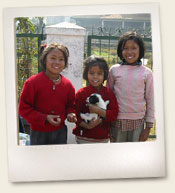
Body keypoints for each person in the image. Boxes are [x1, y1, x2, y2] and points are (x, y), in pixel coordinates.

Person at [19, 43, 77, 145]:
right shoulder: (33, 83)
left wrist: (70, 114)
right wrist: (44, 118)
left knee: (58, 160)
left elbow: (70, 105)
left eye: (61, 59)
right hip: (38, 133)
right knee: (38, 160)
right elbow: (23, 109)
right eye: (53, 58)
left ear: (65, 63)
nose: (57, 62)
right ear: (45, 60)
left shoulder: (68, 85)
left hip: (60, 133)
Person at [107, 31, 155, 142]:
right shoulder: (114, 70)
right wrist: (108, 124)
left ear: (140, 50)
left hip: (138, 123)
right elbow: (108, 98)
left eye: (134, 48)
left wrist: (148, 127)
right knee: (118, 155)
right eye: (125, 48)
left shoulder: (146, 73)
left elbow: (150, 100)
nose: (129, 52)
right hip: (116, 122)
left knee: (135, 155)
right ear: (120, 50)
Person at [73, 55, 118, 144]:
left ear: (105, 74)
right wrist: (87, 126)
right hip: (83, 137)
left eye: (99, 73)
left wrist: (99, 111)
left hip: (102, 138)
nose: (95, 77)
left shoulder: (108, 93)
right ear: (86, 74)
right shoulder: (81, 93)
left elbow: (114, 114)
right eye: (91, 73)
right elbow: (76, 114)